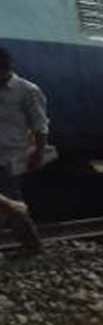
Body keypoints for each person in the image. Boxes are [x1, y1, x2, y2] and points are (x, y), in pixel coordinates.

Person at [0, 47, 47, 254]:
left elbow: (40, 125)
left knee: (10, 201)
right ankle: (32, 245)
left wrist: (38, 153)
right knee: (9, 202)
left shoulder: (27, 90)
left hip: (14, 155)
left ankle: (32, 245)